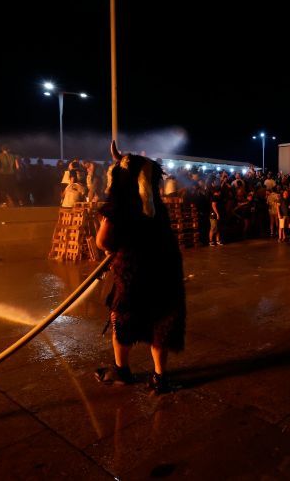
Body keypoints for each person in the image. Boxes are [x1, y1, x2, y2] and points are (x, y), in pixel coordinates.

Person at [95, 141, 185, 394]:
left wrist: (105, 226)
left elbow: (104, 242)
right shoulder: (158, 208)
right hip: (164, 275)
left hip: (132, 276)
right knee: (160, 323)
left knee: (121, 320)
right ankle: (160, 378)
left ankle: (122, 370)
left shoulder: (118, 208)